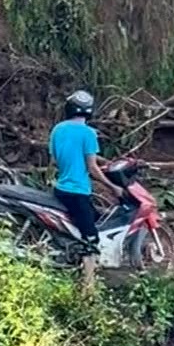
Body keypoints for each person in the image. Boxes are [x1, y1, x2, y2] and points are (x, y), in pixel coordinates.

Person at [48, 89, 123, 286]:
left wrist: (100, 161)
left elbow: (56, 160)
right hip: (78, 192)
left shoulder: (57, 129)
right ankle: (88, 290)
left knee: (96, 217)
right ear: (89, 111)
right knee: (91, 238)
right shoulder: (88, 133)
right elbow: (92, 167)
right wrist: (112, 185)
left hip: (60, 189)